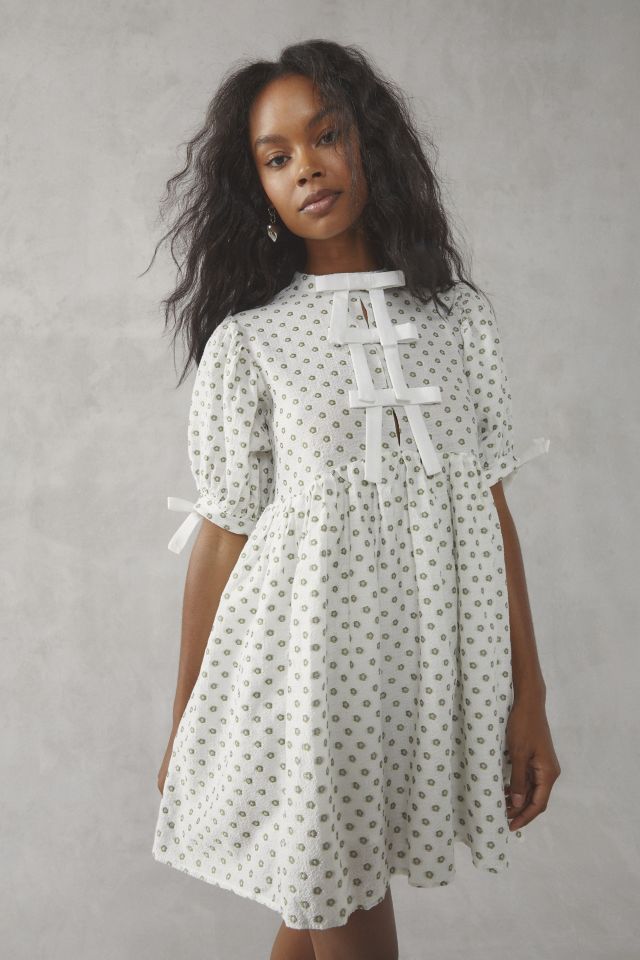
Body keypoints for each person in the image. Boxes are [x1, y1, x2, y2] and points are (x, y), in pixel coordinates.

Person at [149, 38, 561, 960]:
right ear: (257, 188)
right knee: (339, 898)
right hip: (303, 679)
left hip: (427, 671)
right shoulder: (251, 343)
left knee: (321, 905)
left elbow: (489, 514)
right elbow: (223, 536)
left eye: (326, 136)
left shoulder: (461, 321)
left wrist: (529, 696)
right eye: (277, 157)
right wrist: (186, 722)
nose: (307, 168)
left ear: (370, 140)